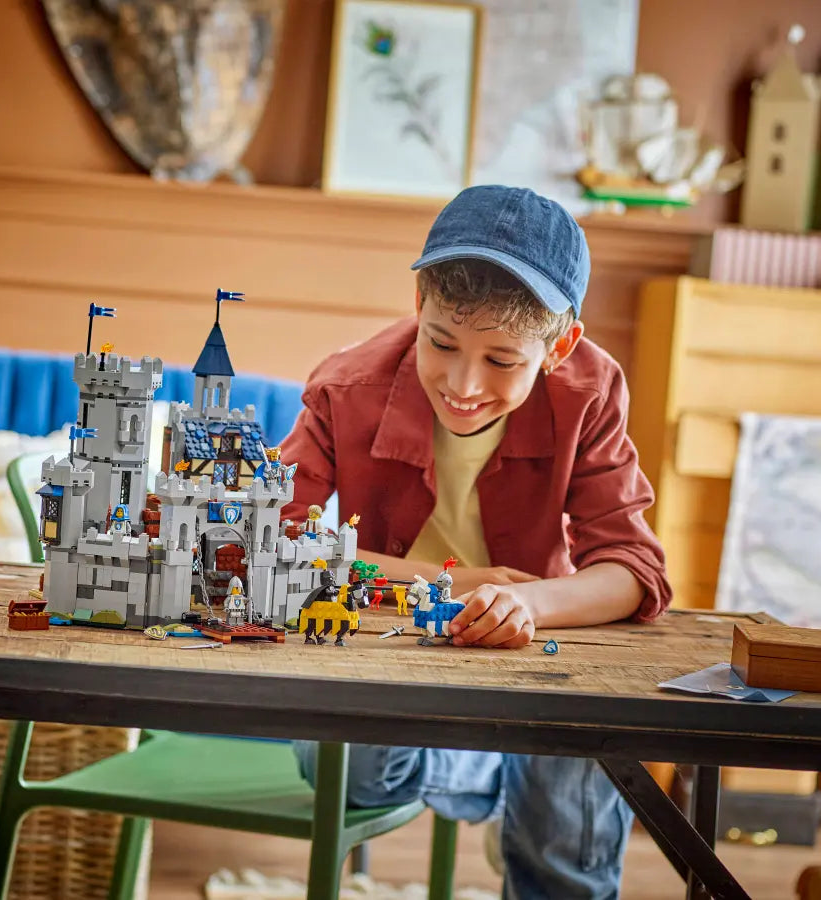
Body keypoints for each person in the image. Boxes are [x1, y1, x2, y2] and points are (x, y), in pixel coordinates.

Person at [278, 185, 672, 899]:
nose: (462, 384)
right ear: (419, 307)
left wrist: (529, 606)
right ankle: (502, 769)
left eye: (502, 360)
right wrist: (451, 584)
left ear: (561, 347)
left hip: (530, 653)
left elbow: (633, 570)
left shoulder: (591, 391)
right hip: (382, 646)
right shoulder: (348, 384)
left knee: (573, 774)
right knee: (354, 771)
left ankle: (530, 784)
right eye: (441, 343)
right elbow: (269, 543)